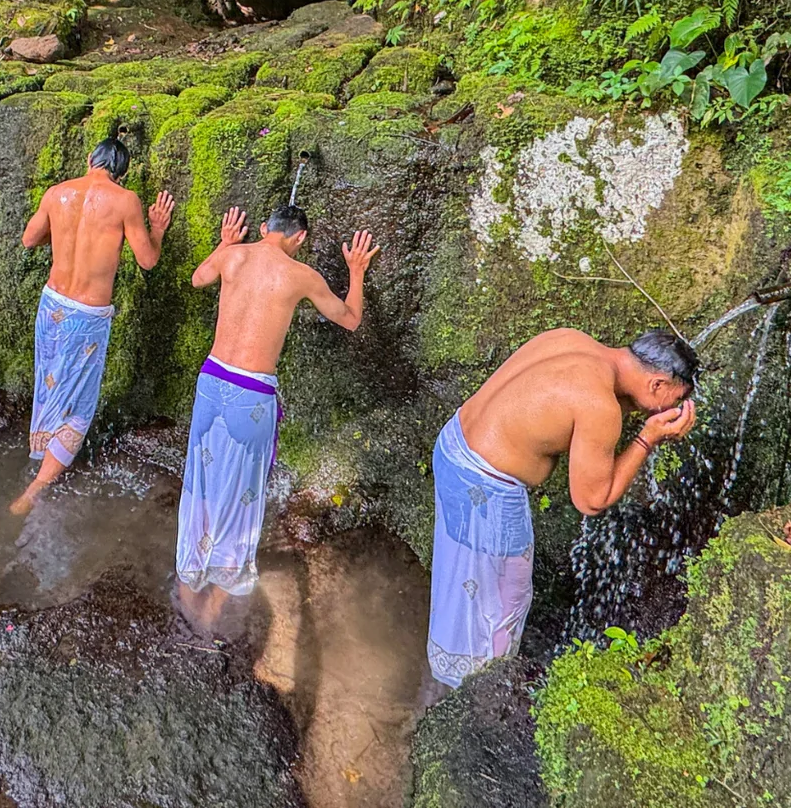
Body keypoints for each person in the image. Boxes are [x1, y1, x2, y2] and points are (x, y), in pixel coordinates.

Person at [425, 327, 698, 689]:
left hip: (453, 446)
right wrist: (648, 438)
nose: (670, 409)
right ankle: (477, 697)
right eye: (673, 401)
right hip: (486, 489)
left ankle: (443, 678)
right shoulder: (600, 406)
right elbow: (592, 500)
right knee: (500, 605)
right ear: (657, 384)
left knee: (461, 584)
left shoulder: (572, 340)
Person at [175, 203, 378, 628]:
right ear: (299, 239)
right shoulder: (302, 275)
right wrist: (356, 270)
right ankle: (211, 610)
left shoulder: (232, 255)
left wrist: (225, 243)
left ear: (264, 228)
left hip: (211, 383)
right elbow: (351, 319)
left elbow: (197, 279)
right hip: (251, 394)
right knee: (242, 497)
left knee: (202, 482)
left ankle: (186, 584)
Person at [10, 134, 175, 516]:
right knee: (79, 404)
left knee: (50, 384)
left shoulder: (57, 193)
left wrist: (65, 228)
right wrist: (159, 228)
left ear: (90, 159)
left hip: (52, 305)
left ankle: (41, 451)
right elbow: (147, 260)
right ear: (122, 172)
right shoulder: (125, 201)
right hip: (86, 316)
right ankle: (35, 489)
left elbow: (29, 238)